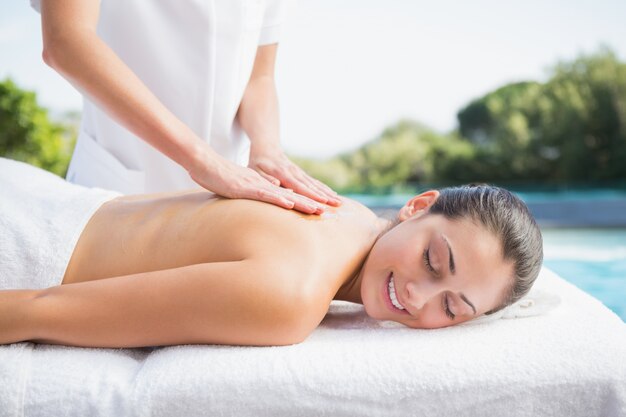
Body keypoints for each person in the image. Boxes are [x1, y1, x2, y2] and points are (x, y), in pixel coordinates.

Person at [0, 157, 543, 347]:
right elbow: (35, 310)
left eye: (452, 308)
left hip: (37, 192)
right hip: (21, 238)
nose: (420, 296)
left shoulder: (343, 210)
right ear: (418, 206)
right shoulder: (289, 298)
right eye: (433, 261)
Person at [31, 0, 339, 215]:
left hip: (229, 197)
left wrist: (267, 148)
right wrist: (203, 161)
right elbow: (66, 40)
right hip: (119, 187)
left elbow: (259, 76)